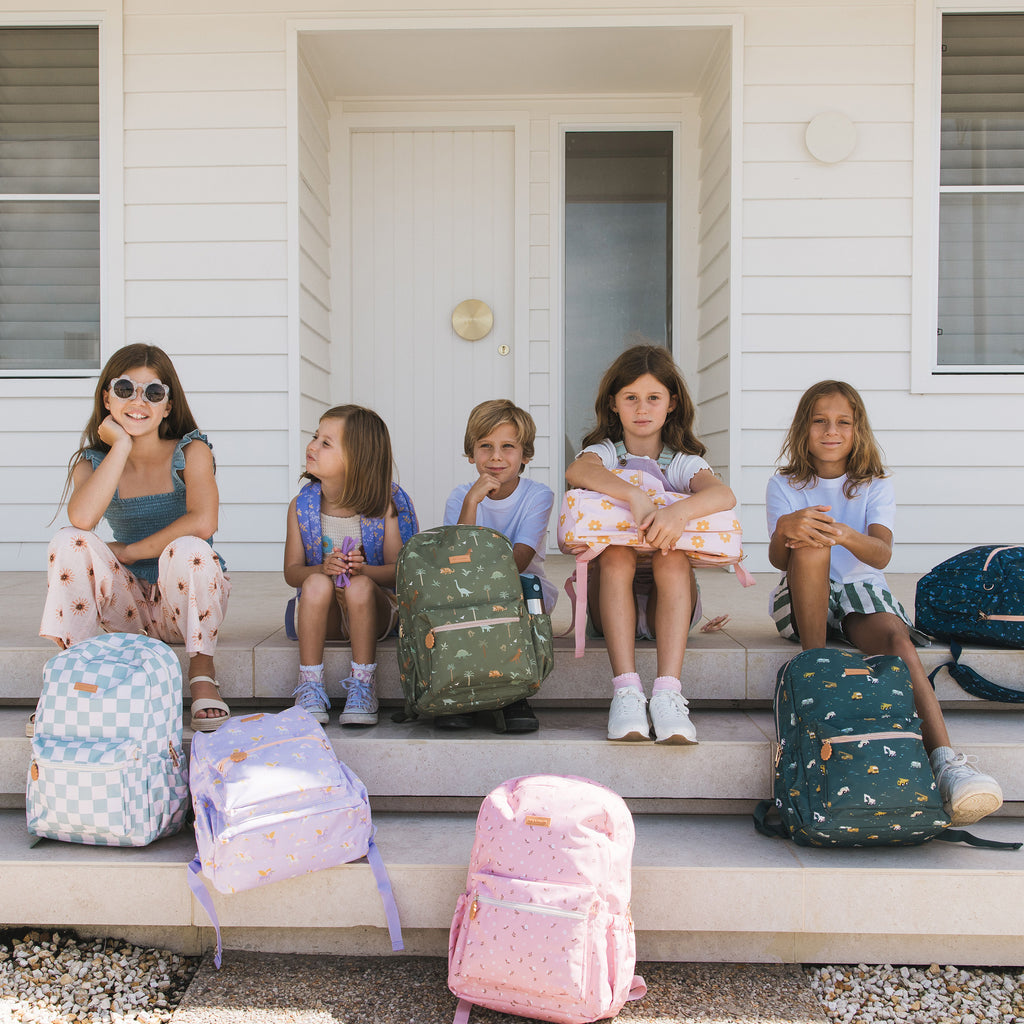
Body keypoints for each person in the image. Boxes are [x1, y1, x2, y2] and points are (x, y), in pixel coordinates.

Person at [766, 379, 1003, 826]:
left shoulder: (873, 483)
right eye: (819, 421)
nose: (830, 431)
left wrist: (847, 536)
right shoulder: (785, 483)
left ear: (858, 431)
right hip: (802, 594)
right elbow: (778, 558)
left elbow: (881, 554)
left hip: (860, 588)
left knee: (896, 637)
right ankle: (815, 666)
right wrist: (788, 529)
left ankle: (946, 763)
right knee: (810, 545)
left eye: (843, 422)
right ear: (804, 428)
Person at [39, 343, 231, 732]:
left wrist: (128, 551)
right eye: (125, 389)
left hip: (180, 606)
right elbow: (82, 518)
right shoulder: (92, 462)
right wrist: (121, 446)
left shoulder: (190, 451)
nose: (138, 401)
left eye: (153, 392)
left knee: (191, 548)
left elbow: (203, 522)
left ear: (168, 405)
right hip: (125, 609)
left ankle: (201, 670)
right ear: (107, 398)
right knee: (67, 540)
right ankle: (73, 675)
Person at [564, 344, 734, 744]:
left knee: (672, 557)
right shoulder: (604, 453)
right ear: (614, 405)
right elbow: (578, 470)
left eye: (653, 398)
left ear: (671, 404)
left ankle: (667, 694)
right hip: (611, 607)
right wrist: (634, 495)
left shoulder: (682, 462)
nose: (642, 409)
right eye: (631, 398)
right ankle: (626, 692)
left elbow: (722, 494)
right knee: (617, 555)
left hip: (669, 607)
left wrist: (677, 513)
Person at [284, 405, 418, 728]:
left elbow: (403, 574)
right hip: (326, 613)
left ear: (358, 459)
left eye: (326, 443)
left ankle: (363, 685)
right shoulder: (302, 506)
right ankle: (311, 687)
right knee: (315, 583)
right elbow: (292, 572)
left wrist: (364, 572)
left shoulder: (385, 506)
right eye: (316, 437)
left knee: (357, 586)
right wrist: (321, 568)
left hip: (374, 609)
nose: (312, 445)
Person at [440, 399, 555, 733]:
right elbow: (455, 561)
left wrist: (476, 572)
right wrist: (472, 502)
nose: (495, 457)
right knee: (454, 598)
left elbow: (517, 560)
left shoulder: (538, 496)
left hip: (522, 590)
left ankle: (514, 695)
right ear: (471, 453)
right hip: (470, 592)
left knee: (508, 594)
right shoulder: (460, 496)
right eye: (485, 447)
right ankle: (458, 690)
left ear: (525, 455)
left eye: (508, 447)